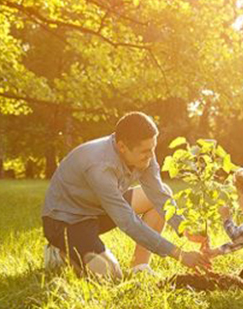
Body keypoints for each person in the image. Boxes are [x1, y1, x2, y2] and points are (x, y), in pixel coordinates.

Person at [42, 112, 210, 278]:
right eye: (146, 151)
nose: (151, 156)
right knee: (111, 275)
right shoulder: (99, 166)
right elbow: (128, 222)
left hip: (98, 210)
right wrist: (180, 255)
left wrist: (186, 230)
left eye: (153, 148)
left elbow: (159, 196)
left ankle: (140, 266)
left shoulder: (145, 155)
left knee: (163, 191)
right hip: (66, 222)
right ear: (122, 146)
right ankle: (59, 252)